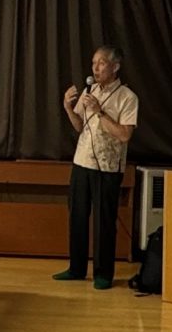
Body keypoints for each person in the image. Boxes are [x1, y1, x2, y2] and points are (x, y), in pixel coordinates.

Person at [58, 44, 139, 292]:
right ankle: (76, 268)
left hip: (107, 167)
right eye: (94, 62)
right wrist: (68, 107)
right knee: (78, 216)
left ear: (115, 67)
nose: (96, 67)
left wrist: (99, 112)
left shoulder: (128, 97)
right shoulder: (90, 90)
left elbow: (125, 135)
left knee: (104, 221)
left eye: (102, 63)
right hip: (82, 162)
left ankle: (103, 274)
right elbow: (80, 126)